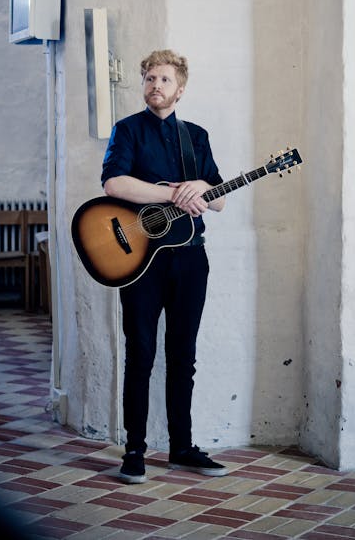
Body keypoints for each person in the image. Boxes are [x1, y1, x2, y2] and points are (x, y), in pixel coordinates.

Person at [101, 49, 228, 484]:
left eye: (165, 79)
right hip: (140, 263)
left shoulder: (197, 136)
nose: (156, 85)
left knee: (183, 357)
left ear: (181, 89)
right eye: (150, 78)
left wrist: (201, 190)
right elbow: (114, 182)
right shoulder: (127, 131)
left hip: (191, 260)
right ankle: (133, 450)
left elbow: (220, 198)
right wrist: (173, 193)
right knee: (140, 354)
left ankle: (182, 448)